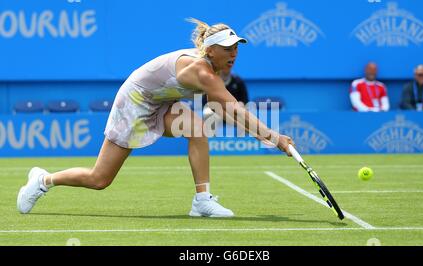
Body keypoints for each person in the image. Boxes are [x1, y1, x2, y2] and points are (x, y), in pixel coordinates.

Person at [16, 18, 294, 218]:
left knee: (197, 127)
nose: (233, 53)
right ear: (210, 50)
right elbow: (233, 109)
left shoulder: (212, 71)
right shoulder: (203, 72)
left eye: (236, 47)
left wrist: (267, 136)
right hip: (134, 103)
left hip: (161, 102)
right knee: (99, 179)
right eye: (227, 48)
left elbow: (228, 111)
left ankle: (202, 201)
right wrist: (275, 138)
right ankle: (43, 180)